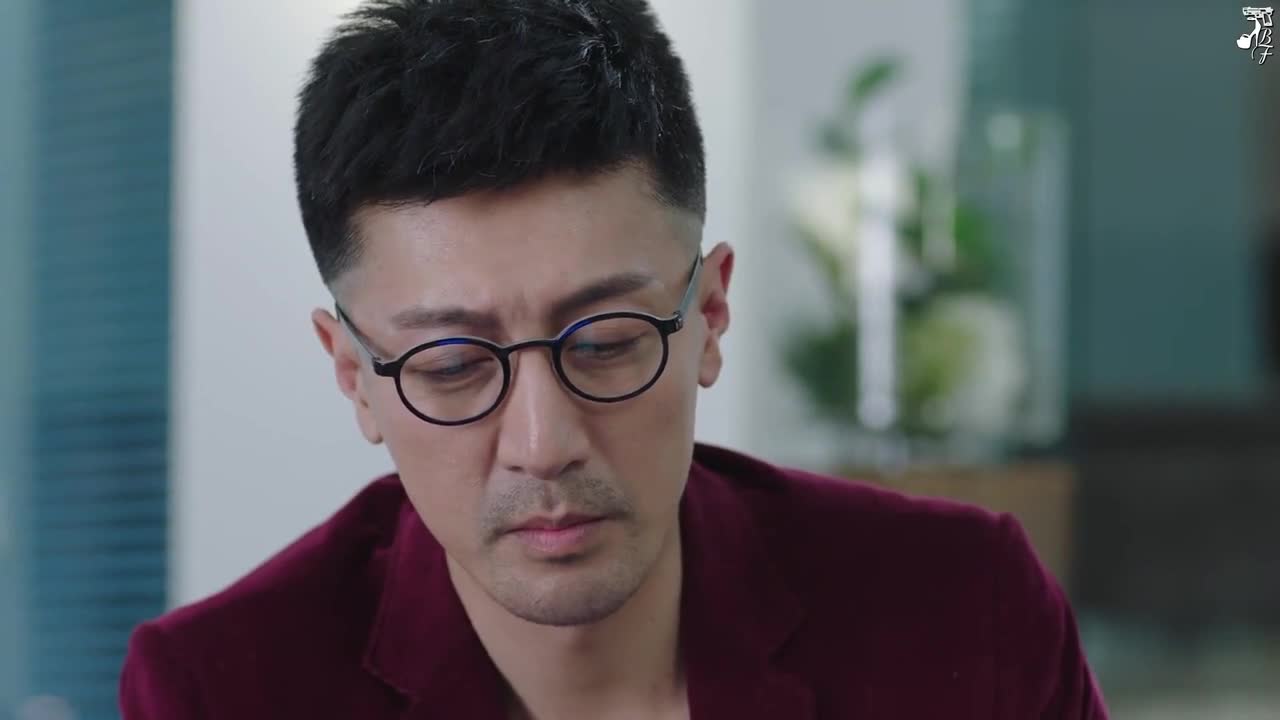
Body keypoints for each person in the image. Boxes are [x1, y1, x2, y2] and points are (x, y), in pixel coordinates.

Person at [119, 0, 1109, 717]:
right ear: (354, 377)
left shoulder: (962, 613)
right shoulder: (221, 690)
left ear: (709, 316)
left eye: (604, 344)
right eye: (453, 365)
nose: (542, 443)